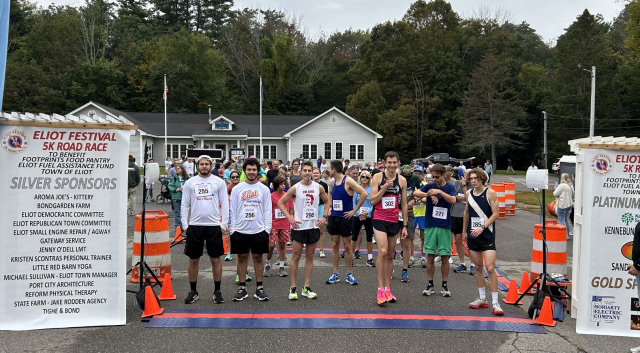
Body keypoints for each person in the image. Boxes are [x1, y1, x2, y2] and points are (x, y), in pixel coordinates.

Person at [277, 161, 330, 300]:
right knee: (295, 256)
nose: (307, 173)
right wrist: (289, 217)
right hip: (299, 227)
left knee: (310, 257)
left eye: (309, 171)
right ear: (301, 172)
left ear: (313, 172)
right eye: (305, 170)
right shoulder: (295, 188)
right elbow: (281, 202)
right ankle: (293, 287)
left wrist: (324, 216)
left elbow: (327, 201)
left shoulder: (318, 187)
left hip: (313, 227)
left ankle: (306, 287)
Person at [180, 155, 229, 304]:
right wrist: (185, 225)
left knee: (215, 259)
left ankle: (217, 291)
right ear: (198, 166)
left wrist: (224, 224)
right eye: (201, 164)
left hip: (213, 225)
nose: (204, 166)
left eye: (207, 164)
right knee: (193, 259)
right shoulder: (190, 183)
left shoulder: (218, 182)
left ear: (211, 165)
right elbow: (184, 205)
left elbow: (225, 204)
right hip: (195, 225)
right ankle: (193, 291)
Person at [229, 158, 272, 301]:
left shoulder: (264, 189)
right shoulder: (237, 189)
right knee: (241, 258)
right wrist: (232, 229)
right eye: (249, 170)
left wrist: (267, 229)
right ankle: (242, 288)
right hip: (240, 230)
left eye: (254, 170)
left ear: (258, 171)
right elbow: (233, 210)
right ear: (244, 171)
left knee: (258, 258)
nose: (251, 172)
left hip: (259, 230)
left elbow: (267, 210)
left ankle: (259, 288)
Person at [370, 151, 409, 304]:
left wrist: (404, 225)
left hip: (394, 219)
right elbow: (373, 200)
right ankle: (380, 289)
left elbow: (404, 204)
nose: (392, 165)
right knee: (383, 251)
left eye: (394, 162)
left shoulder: (402, 180)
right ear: (384, 163)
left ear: (398, 163)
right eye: (389, 162)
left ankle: (388, 289)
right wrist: (384, 187)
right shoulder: (378, 177)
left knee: (390, 254)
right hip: (379, 217)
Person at [414, 163, 456, 298]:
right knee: (430, 256)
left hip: (444, 226)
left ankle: (445, 285)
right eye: (433, 177)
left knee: (444, 256)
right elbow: (416, 192)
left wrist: (440, 192)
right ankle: (430, 284)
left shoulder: (450, 187)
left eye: (437, 177)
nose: (435, 179)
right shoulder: (430, 186)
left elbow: (453, 200)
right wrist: (428, 194)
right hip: (430, 225)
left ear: (444, 175)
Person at [463, 168, 502, 315]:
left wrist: (482, 227)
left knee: (490, 268)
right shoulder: (468, 193)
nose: (473, 181)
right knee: (478, 266)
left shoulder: (490, 193)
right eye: (471, 178)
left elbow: (495, 214)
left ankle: (495, 302)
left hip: (487, 234)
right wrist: (463, 231)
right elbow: (466, 212)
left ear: (481, 179)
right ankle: (482, 298)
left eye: (475, 178)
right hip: (472, 234)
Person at [326, 160, 369, 285]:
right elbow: (329, 194)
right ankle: (335, 273)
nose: (328, 170)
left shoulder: (348, 180)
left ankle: (349, 274)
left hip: (345, 217)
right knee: (334, 244)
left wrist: (354, 210)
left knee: (347, 247)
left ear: (334, 169)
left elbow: (364, 193)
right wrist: (329, 207)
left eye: (329, 168)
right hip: (334, 216)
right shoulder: (333, 182)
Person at [266, 176, 293, 277]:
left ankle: (281, 267)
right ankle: (268, 264)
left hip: (284, 223)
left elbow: (291, 210)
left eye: (284, 184)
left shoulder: (287, 195)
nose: (283, 186)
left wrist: (290, 223)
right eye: (281, 184)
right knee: (271, 245)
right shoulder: (271, 196)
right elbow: (267, 211)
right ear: (276, 185)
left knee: (282, 245)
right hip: (273, 223)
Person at [399, 165, 421, 282]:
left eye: (409, 177)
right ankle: (390, 267)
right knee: (391, 242)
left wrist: (415, 200)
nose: (407, 179)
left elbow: (424, 190)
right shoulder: (397, 177)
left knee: (407, 241)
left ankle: (404, 270)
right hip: (394, 212)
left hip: (408, 211)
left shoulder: (415, 178)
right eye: (405, 176)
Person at [351, 170, 374, 267]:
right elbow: (353, 202)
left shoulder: (372, 189)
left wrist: (366, 212)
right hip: (357, 215)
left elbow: (373, 203)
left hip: (368, 215)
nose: (364, 179)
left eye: (367, 177)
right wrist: (357, 213)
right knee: (354, 236)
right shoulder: (357, 188)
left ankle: (369, 258)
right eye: (363, 177)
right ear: (360, 178)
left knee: (369, 236)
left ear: (369, 179)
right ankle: (351, 258)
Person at [451, 168, 470, 273]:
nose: (467, 178)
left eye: (469, 176)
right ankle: (462, 263)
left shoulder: (473, 185)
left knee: (469, 241)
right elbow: (452, 197)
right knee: (458, 240)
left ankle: (473, 264)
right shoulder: (456, 183)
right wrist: (462, 198)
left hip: (468, 216)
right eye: (466, 175)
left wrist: (464, 187)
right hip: (455, 215)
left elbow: (469, 197)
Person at [412, 166, 427, 268]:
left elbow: (428, 200)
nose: (417, 175)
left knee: (423, 237)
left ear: (422, 175)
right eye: (415, 173)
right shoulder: (410, 186)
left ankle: (423, 257)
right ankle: (411, 257)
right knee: (410, 237)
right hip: (412, 213)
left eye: (419, 173)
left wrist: (420, 199)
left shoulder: (425, 185)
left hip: (423, 214)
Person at [313, 168, 329, 258]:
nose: (315, 174)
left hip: (321, 207)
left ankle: (321, 249)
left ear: (320, 174)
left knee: (321, 230)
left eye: (317, 173)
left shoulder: (324, 185)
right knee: (311, 229)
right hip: (311, 208)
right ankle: (311, 248)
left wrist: (327, 210)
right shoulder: (309, 184)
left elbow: (326, 198)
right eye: (314, 173)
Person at [168, 164, 189, 232]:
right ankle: (177, 227)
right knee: (177, 212)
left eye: (178, 168)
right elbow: (170, 186)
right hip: (176, 197)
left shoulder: (187, 178)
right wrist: (178, 189)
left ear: (182, 170)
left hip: (185, 198)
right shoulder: (174, 178)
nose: (177, 170)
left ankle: (184, 226)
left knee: (184, 212)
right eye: (176, 169)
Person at [553, 173, 574, 240]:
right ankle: (567, 235)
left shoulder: (562, 185)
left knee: (562, 220)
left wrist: (555, 188)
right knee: (566, 220)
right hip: (569, 204)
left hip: (562, 204)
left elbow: (555, 193)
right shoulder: (570, 185)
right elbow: (573, 195)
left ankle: (563, 235)